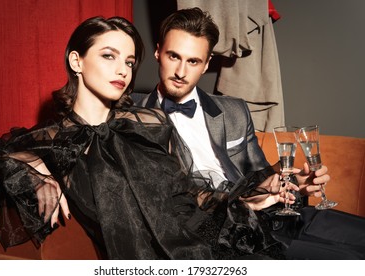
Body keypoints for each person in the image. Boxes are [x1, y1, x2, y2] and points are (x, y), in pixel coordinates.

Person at [0, 15, 297, 260]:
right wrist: (33, 168)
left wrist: (239, 200)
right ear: (77, 61)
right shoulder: (56, 139)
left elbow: (186, 193)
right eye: (108, 56)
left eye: (129, 61)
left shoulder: (149, 121)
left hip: (204, 243)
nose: (123, 70)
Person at [133, 7, 365, 259]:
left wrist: (295, 185)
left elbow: (261, 177)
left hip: (277, 215)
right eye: (173, 56)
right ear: (158, 52)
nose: (181, 72)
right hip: (232, 235)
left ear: (206, 63)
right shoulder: (134, 121)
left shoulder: (234, 111)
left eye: (193, 61)